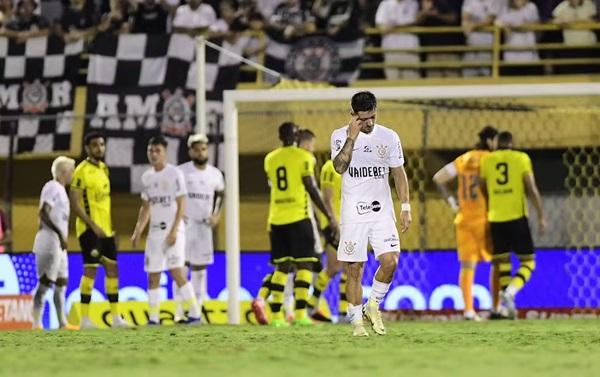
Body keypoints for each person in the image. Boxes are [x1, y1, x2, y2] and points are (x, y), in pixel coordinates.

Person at [331, 91, 411, 337]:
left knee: (391, 261)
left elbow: (398, 173)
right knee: (355, 269)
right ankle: (356, 323)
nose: (369, 123)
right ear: (353, 115)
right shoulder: (339, 136)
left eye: (372, 117)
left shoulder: (388, 137)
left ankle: (372, 305)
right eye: (363, 119)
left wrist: (405, 207)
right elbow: (339, 167)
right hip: (354, 213)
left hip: (381, 211)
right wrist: (352, 138)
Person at [263, 122, 338, 327]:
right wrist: (328, 215)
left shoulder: (270, 159)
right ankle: (300, 314)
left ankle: (277, 317)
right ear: (297, 137)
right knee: (305, 265)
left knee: (282, 267)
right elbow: (311, 188)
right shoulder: (305, 157)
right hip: (299, 217)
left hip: (277, 219)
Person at [432, 126, 498, 321]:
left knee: (468, 266)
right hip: (486, 218)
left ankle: (469, 310)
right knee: (498, 262)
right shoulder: (491, 159)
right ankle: (496, 307)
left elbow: (438, 178)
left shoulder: (464, 159)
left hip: (464, 219)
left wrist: (453, 203)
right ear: (490, 141)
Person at [480, 131, 547, 319]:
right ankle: (510, 293)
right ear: (511, 143)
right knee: (529, 262)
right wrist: (541, 215)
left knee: (503, 262)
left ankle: (508, 306)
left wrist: (493, 202)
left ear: (497, 143)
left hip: (495, 218)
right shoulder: (521, 158)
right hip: (517, 217)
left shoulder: (487, 160)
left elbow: (482, 186)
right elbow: (531, 188)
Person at [70, 132, 129, 329]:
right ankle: (85, 319)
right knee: (91, 270)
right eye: (95, 145)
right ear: (87, 148)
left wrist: (111, 228)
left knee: (112, 269)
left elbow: (106, 203)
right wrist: (92, 225)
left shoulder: (104, 169)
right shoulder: (81, 171)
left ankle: (115, 319)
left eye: (102, 144)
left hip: (107, 231)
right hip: (89, 229)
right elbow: (75, 202)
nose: (99, 148)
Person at [173, 134, 225, 323]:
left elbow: (220, 194)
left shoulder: (215, 174)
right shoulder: (181, 172)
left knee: (200, 267)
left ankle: (198, 309)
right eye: (196, 149)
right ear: (190, 151)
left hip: (204, 226)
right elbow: (173, 196)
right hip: (185, 226)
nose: (200, 152)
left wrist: (216, 214)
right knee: (181, 267)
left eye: (203, 149)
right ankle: (179, 311)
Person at [32, 157, 77, 330]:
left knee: (61, 283)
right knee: (44, 284)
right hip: (50, 241)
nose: (73, 174)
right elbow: (43, 213)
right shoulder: (52, 187)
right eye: (71, 171)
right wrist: (59, 234)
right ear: (63, 172)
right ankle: (36, 324)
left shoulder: (62, 191)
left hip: (59, 244)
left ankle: (62, 323)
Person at [307, 155, 348, 323]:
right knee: (336, 266)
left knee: (346, 267)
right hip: (333, 224)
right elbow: (327, 198)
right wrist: (333, 221)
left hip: (348, 223)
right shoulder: (330, 167)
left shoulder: (351, 167)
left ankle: (342, 312)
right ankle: (313, 305)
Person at [375, 0, 420, 79]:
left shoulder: (413, 3)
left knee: (412, 82)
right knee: (392, 80)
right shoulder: (385, 4)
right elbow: (380, 26)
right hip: (390, 50)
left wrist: (393, 27)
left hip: (410, 50)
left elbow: (414, 22)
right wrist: (388, 27)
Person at [417, 0, 463, 77]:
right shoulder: (425, 2)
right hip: (431, 50)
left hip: (450, 50)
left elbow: (454, 18)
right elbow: (417, 20)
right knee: (433, 84)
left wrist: (436, 14)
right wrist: (425, 12)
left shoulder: (450, 2)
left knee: (454, 82)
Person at [496, 0, 541, 76]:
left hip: (528, 54)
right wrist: (504, 26)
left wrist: (516, 26)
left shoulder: (531, 7)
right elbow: (497, 22)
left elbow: (536, 23)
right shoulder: (506, 8)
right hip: (511, 54)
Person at [462, 0, 501, 77]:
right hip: (471, 43)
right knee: (468, 74)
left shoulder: (494, 1)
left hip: (487, 45)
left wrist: (474, 25)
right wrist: (468, 24)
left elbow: (491, 18)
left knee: (485, 74)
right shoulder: (469, 1)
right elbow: (465, 17)